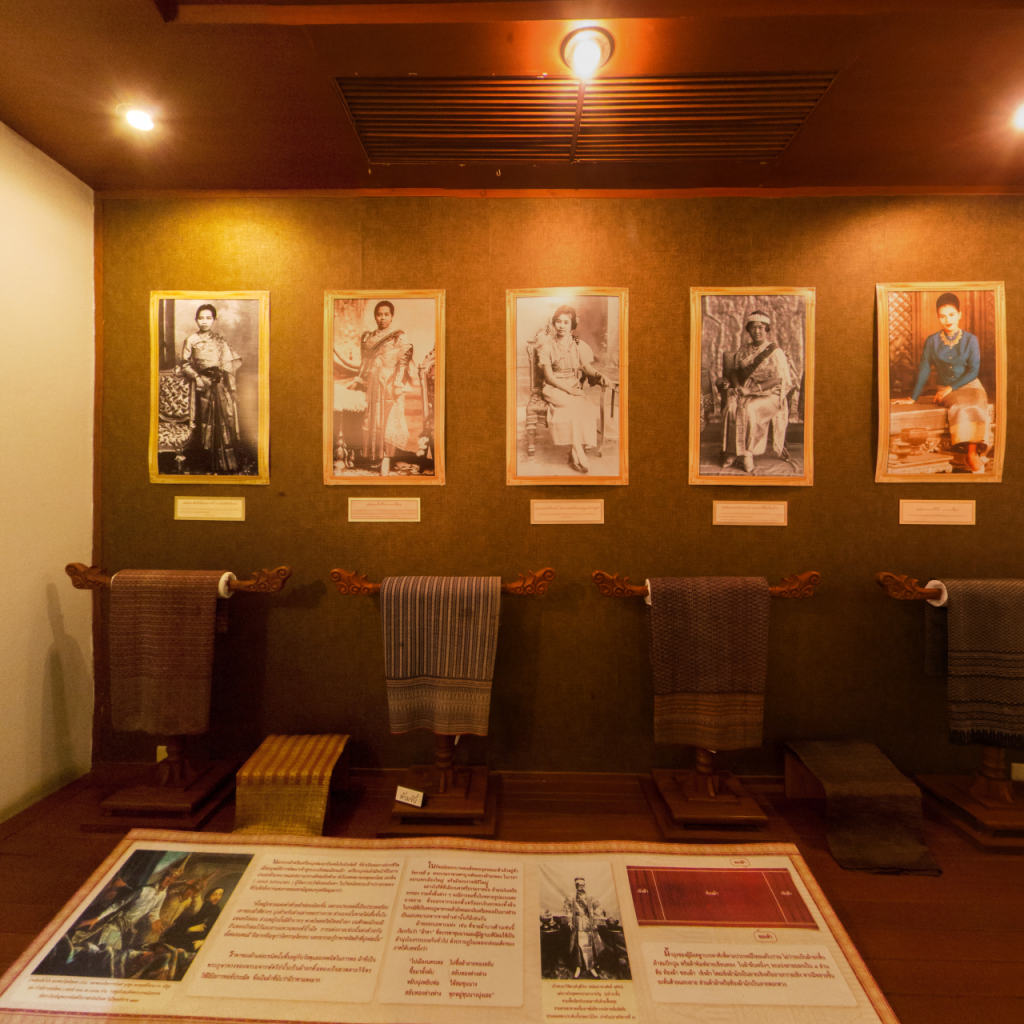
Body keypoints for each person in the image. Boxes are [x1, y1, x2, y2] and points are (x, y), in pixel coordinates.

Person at [893, 292, 989, 473]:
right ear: (938, 317)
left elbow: (973, 371)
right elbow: (924, 369)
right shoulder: (932, 341)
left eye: (951, 315)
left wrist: (950, 388)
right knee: (961, 405)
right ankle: (969, 455)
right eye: (942, 316)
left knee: (975, 404)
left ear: (959, 315)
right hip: (945, 390)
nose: (947, 320)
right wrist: (913, 398)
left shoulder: (971, 340)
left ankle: (971, 454)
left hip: (971, 386)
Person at [717, 310, 794, 474]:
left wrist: (752, 390)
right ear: (748, 330)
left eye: (761, 327)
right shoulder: (744, 349)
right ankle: (732, 451)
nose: (757, 331)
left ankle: (747, 453)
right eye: (753, 327)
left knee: (749, 409)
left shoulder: (775, 352)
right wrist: (738, 386)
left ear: (767, 329)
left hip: (770, 393)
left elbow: (779, 379)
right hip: (745, 389)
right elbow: (735, 372)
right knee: (731, 407)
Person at [536, 306, 610, 474]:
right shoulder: (547, 346)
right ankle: (579, 452)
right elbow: (549, 377)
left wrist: (599, 375)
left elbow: (587, 368)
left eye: (566, 322)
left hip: (573, 385)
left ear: (572, 325)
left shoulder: (578, 345)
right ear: (554, 323)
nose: (561, 326)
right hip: (554, 388)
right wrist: (570, 391)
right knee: (574, 405)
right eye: (558, 322)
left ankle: (575, 452)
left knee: (582, 407)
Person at [351, 300, 420, 475]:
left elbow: (403, 362)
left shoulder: (398, 336)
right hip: (373, 384)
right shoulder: (369, 337)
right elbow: (365, 363)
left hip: (390, 383)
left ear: (391, 316)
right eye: (379, 314)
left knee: (388, 420)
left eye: (386, 314)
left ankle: (387, 458)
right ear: (375, 316)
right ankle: (375, 456)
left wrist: (397, 383)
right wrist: (359, 379)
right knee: (373, 420)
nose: (382, 318)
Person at [180, 304, 244, 474]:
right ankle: (205, 463)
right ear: (196, 320)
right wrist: (197, 377)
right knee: (203, 423)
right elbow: (184, 364)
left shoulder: (220, 340)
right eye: (201, 318)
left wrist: (230, 386)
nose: (204, 321)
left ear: (214, 320)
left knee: (223, 420)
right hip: (202, 385)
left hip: (219, 384)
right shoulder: (191, 340)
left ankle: (224, 464)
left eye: (208, 318)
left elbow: (229, 363)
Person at [563, 876, 605, 978]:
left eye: (582, 884)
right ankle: (578, 966)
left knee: (590, 944)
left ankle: (591, 967)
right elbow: (567, 909)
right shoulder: (571, 897)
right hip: (576, 922)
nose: (580, 886)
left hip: (588, 922)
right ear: (575, 885)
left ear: (584, 885)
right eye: (578, 884)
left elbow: (598, 908)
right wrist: (569, 921)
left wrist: (595, 921)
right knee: (577, 945)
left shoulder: (590, 897)